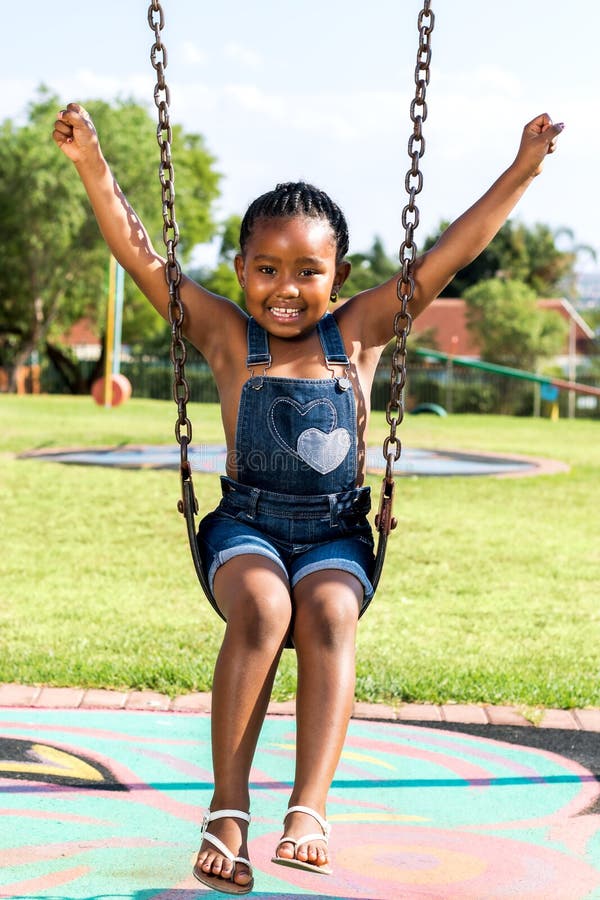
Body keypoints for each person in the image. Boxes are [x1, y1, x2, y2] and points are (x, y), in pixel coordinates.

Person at [53, 103, 562, 894]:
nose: (286, 289)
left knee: (327, 610)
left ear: (339, 278)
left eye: (307, 272)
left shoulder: (360, 331)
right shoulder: (222, 333)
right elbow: (141, 254)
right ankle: (228, 809)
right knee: (263, 609)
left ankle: (307, 809)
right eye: (267, 269)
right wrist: (93, 164)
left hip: (334, 534)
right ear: (241, 271)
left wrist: (522, 171)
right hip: (246, 526)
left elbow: (448, 257)